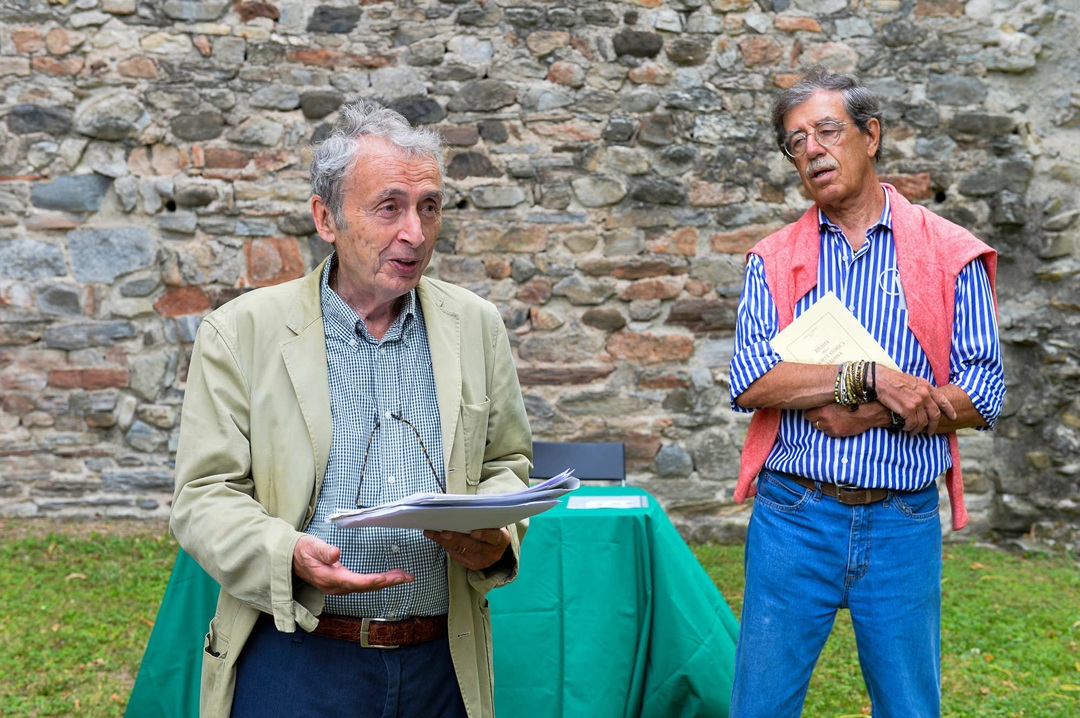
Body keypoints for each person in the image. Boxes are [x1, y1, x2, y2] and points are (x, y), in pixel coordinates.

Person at [170, 101, 532, 718]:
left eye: (430, 207)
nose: (415, 233)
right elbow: (204, 495)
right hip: (298, 654)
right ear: (326, 218)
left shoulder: (477, 326)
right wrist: (287, 553)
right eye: (389, 207)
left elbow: (507, 462)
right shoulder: (242, 332)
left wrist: (497, 540)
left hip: (441, 661)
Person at [727, 68, 1006, 717]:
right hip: (794, 517)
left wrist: (878, 414)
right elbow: (750, 378)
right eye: (796, 143)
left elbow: (983, 390)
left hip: (902, 521)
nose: (813, 151)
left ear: (870, 134)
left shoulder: (949, 253)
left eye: (827, 131)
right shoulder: (772, 258)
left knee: (910, 707)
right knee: (759, 706)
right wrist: (868, 377)